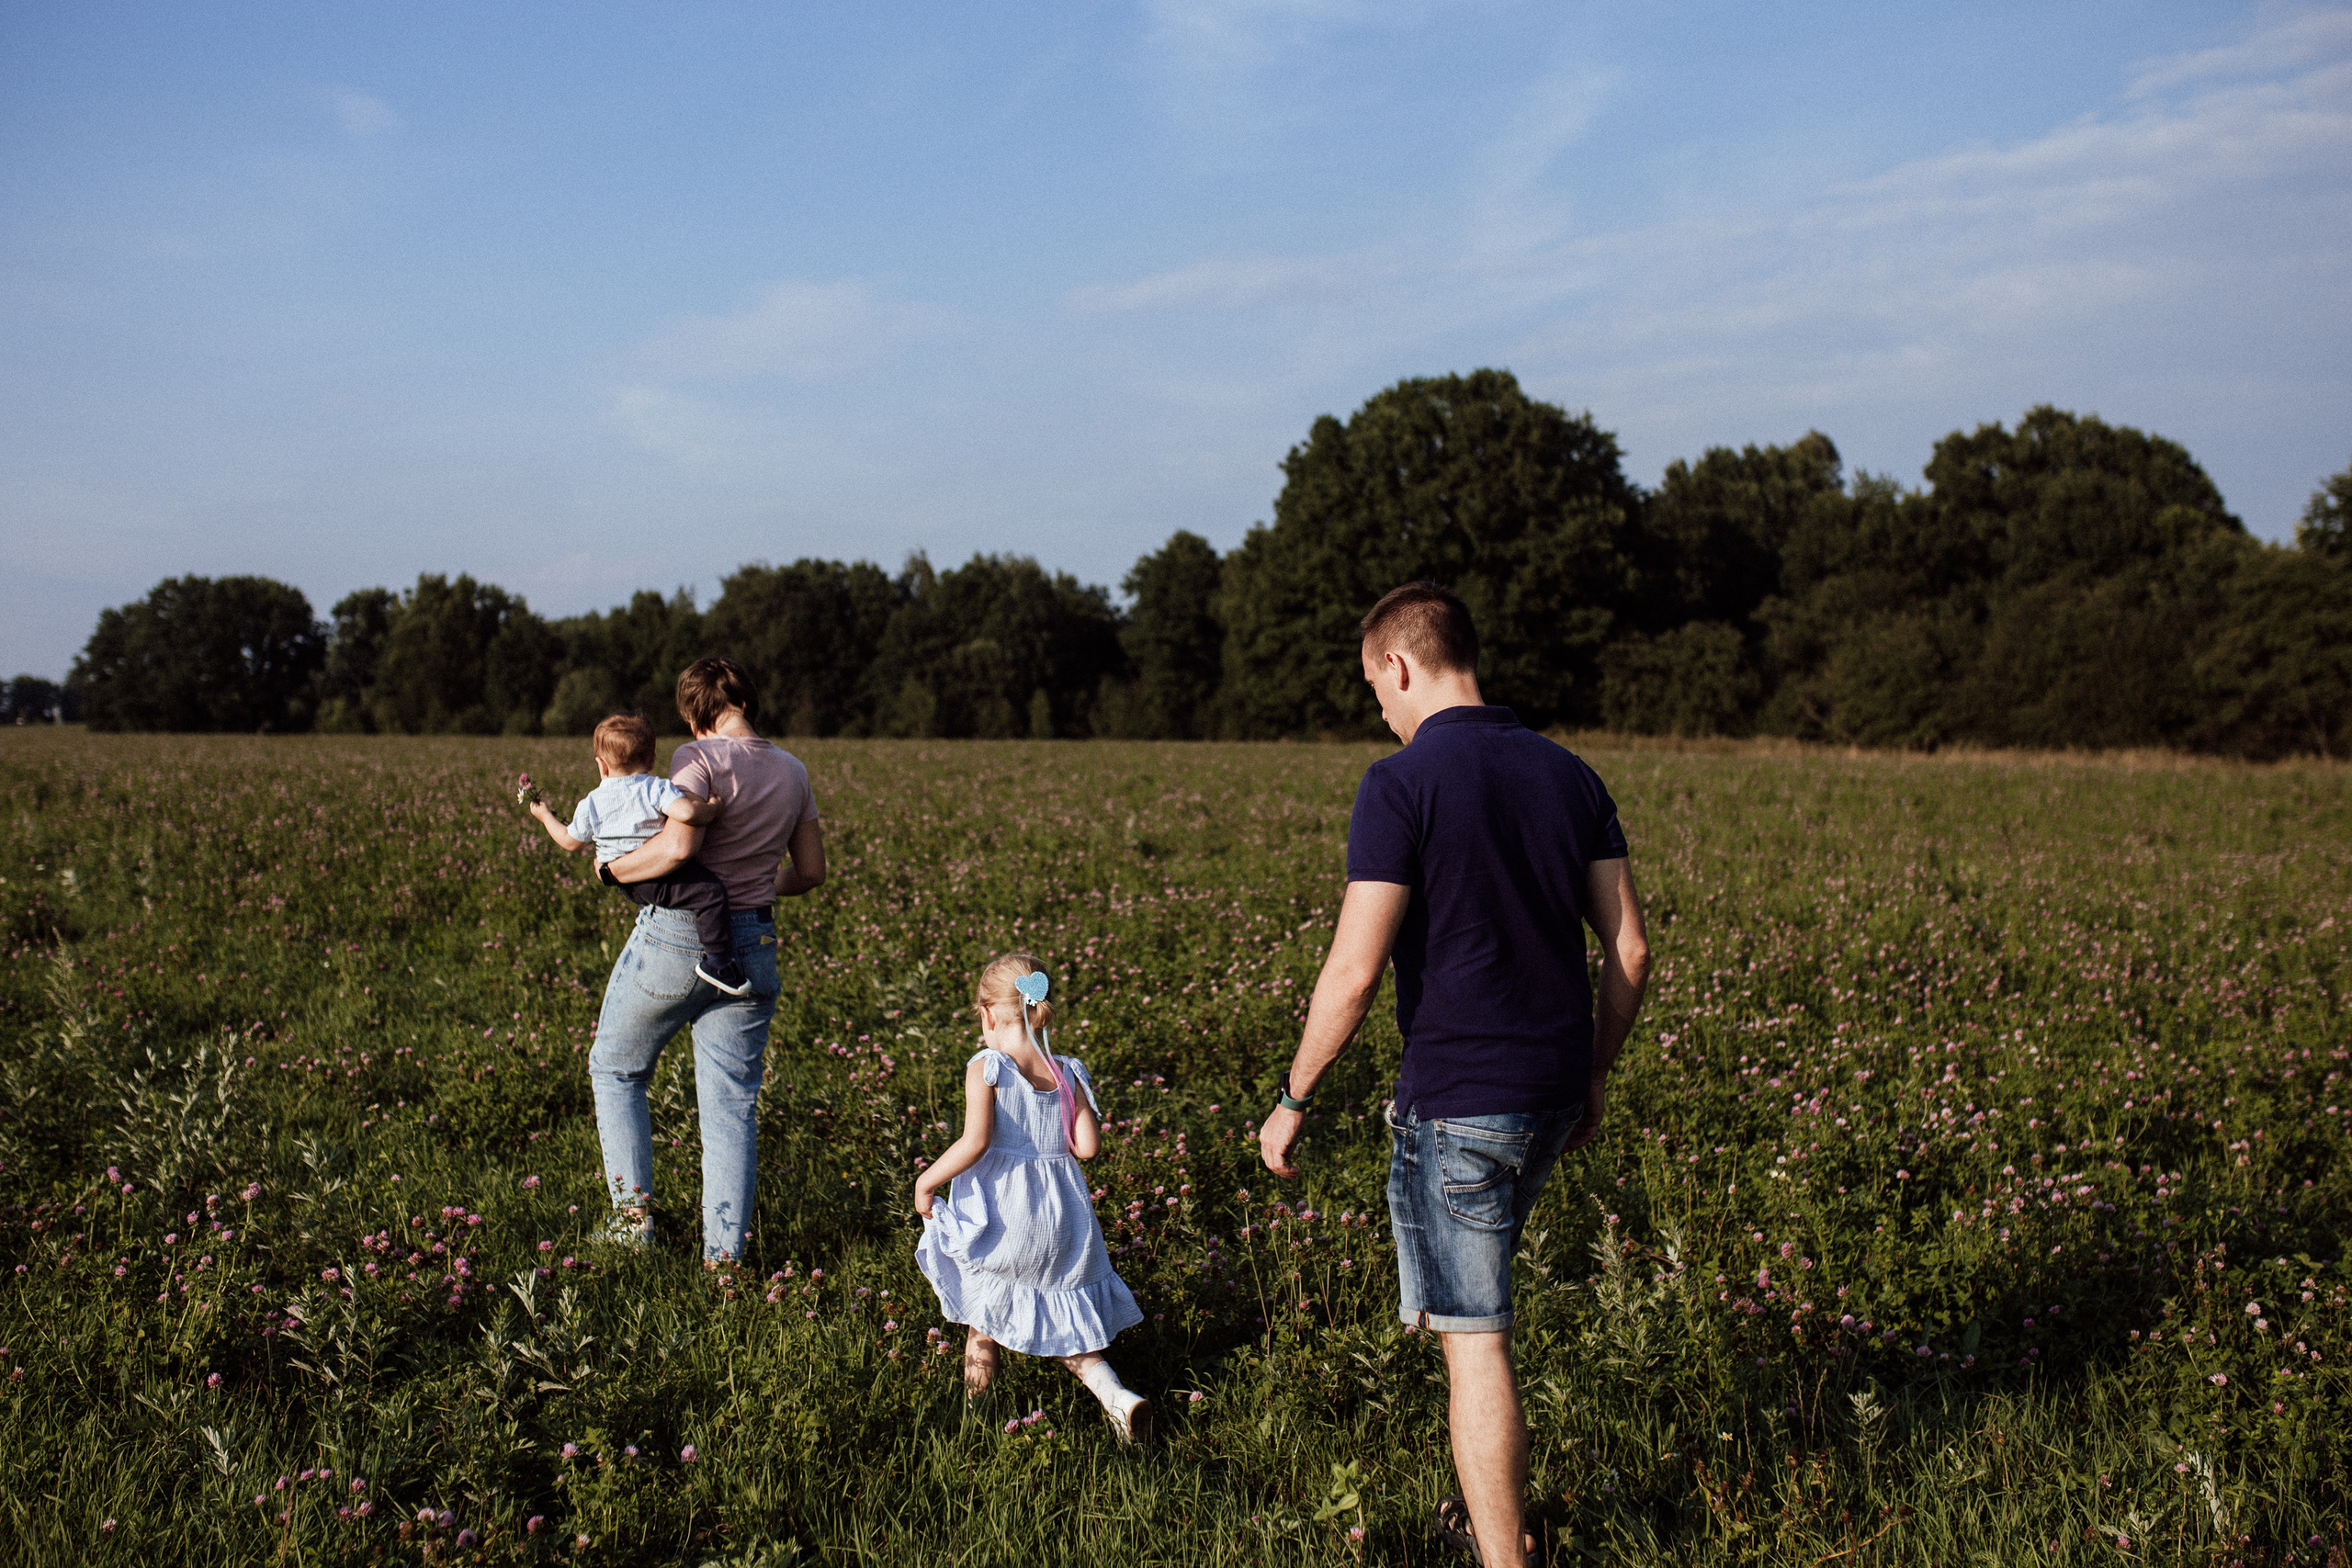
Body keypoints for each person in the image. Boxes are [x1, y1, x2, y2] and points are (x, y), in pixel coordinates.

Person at [1257, 581, 1650, 1568]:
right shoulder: (1571, 774)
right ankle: (1494, 1518)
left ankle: (1502, 1556)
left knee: (1475, 1345)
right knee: (1482, 1322)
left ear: (1397, 664)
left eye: (1373, 688)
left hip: (1462, 1103)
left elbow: (1351, 973)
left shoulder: (1400, 784)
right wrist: (1594, 1075)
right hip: (1553, 1088)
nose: (1379, 711)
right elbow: (1632, 952)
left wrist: (1293, 1096)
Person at [586, 658, 828, 1261]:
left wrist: (610, 869)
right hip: (753, 946)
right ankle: (724, 1265)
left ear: (695, 715)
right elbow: (812, 872)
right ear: (746, 700)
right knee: (730, 1111)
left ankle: (631, 1227)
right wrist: (752, 888)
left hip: (678, 939)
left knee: (616, 1069)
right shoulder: (794, 771)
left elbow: (677, 847)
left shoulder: (696, 759)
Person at [914, 953, 1150, 1443]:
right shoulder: (1065, 1070)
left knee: (983, 1316)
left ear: (988, 1014)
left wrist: (926, 1182)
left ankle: (975, 1425)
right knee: (1063, 1318)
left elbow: (974, 1141)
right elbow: (1087, 1147)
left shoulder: (988, 1066)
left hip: (1005, 1215)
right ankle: (1118, 1399)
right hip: (1064, 1218)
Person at [522, 711, 752, 997]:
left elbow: (570, 842)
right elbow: (689, 813)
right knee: (711, 893)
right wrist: (714, 807)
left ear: (602, 766)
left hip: (624, 882)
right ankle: (718, 963)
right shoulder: (654, 788)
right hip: (656, 875)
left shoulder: (591, 802)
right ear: (652, 760)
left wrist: (545, 817)